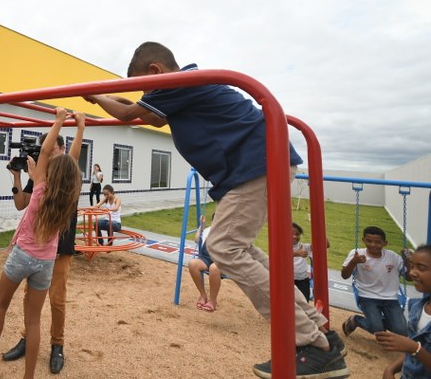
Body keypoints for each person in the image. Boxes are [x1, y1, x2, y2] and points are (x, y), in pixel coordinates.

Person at [83, 41, 347, 378]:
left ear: (155, 72)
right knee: (241, 248)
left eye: (146, 85)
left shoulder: (179, 84)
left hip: (255, 165)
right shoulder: (184, 86)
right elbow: (143, 112)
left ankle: (310, 342)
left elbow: (126, 113)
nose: (148, 93)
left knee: (223, 247)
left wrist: (94, 96)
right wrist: (112, 98)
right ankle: (316, 328)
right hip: (259, 164)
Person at [0, 109, 84, 379]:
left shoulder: (41, 186)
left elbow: (45, 153)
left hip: (23, 255)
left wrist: (58, 120)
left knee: (0, 306)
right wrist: (81, 127)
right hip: (45, 261)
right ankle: (29, 377)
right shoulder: (69, 192)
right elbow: (71, 160)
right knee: (34, 321)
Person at [1, 119, 85, 375]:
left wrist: (80, 128)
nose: (47, 153)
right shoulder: (39, 172)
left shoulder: (68, 174)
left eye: (52, 149)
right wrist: (17, 177)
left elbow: (74, 155)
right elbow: (20, 204)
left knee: (57, 299)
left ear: (61, 149)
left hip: (60, 247)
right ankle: (28, 338)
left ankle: (57, 346)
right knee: (30, 298)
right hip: (36, 246)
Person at [341, 226, 409, 337]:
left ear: (385, 243)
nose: (373, 244)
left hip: (390, 298)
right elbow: (344, 275)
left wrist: (408, 262)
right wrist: (354, 262)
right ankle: (356, 320)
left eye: (378, 242)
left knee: (402, 331)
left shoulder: (393, 257)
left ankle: (377, 320)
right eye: (369, 241)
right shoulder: (357, 253)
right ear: (363, 240)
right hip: (367, 296)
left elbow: (409, 277)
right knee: (377, 330)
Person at [376, 245, 431, 378]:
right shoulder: (417, 307)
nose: (412, 273)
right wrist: (390, 369)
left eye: (421, 268)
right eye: (412, 266)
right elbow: (412, 351)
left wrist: (414, 348)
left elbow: (414, 348)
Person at [188, 214, 222, 313]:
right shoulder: (207, 230)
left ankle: (213, 301)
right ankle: (203, 295)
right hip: (206, 258)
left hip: (220, 260)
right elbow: (196, 239)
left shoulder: (227, 231)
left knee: (213, 268)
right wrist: (201, 226)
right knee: (192, 264)